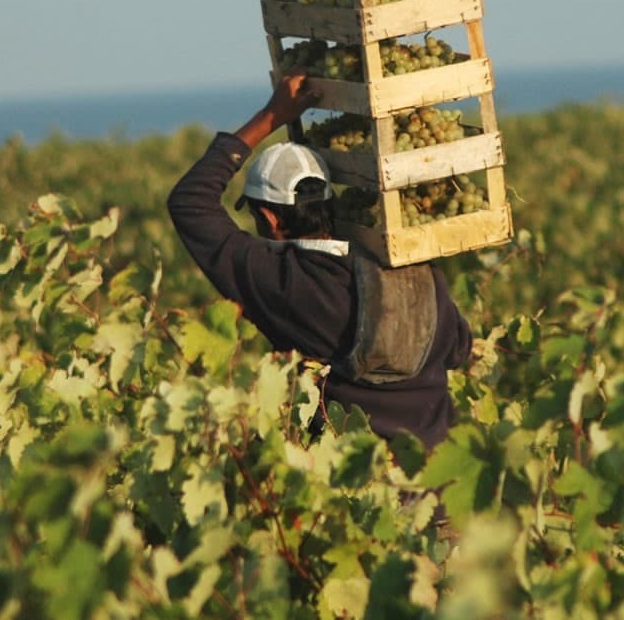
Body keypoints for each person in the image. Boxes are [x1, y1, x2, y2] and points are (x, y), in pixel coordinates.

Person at [166, 72, 473, 449]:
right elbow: (460, 348)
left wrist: (271, 115)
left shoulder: (282, 282)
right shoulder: (415, 274)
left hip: (355, 493)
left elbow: (190, 203)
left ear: (270, 218)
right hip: (440, 487)